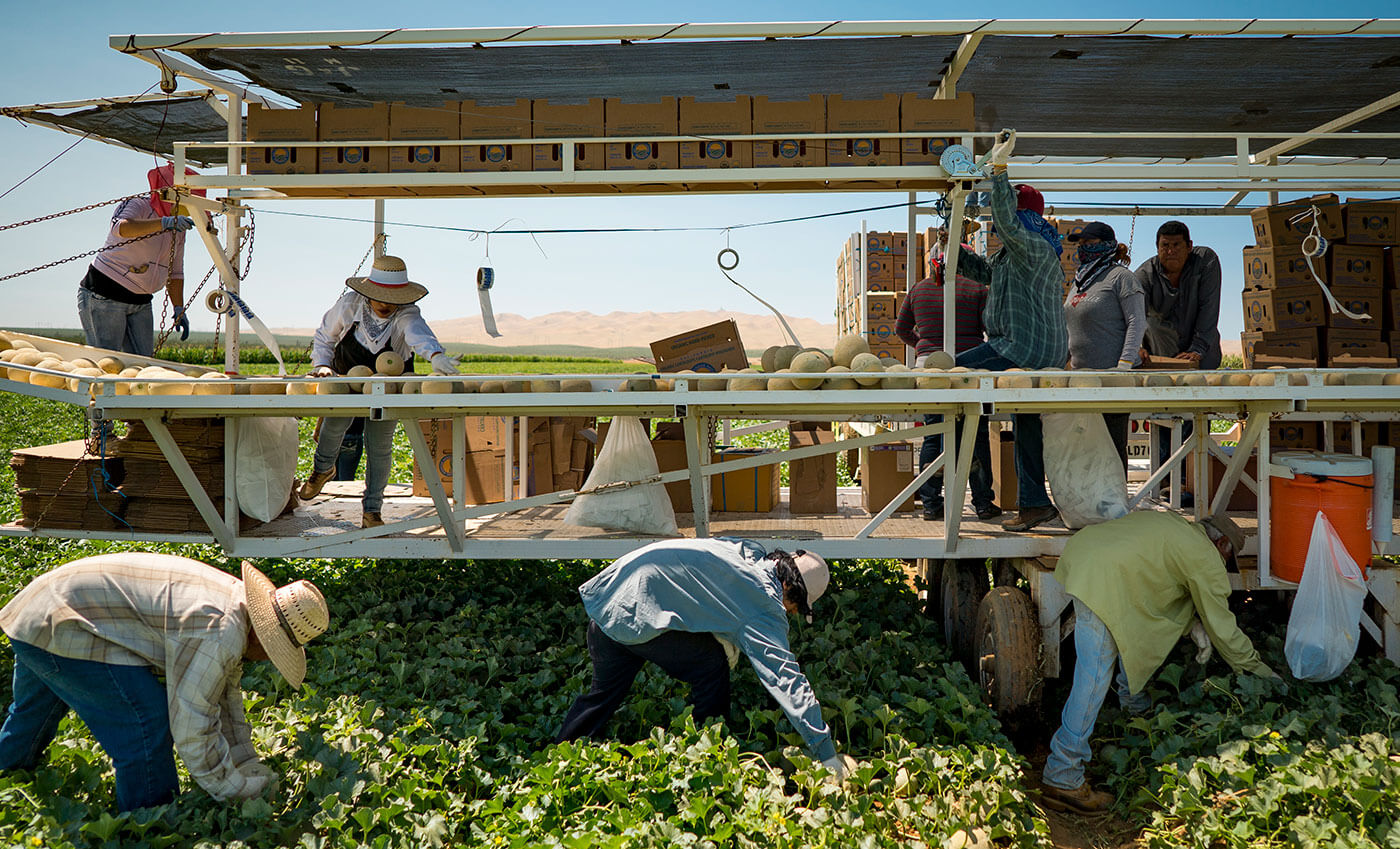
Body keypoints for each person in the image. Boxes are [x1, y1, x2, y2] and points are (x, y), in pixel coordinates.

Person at [0, 554, 329, 812]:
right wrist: (233, 790)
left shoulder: (236, 602)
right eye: (273, 651)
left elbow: (223, 700)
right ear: (262, 636)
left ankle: (7, 770)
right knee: (146, 722)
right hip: (68, 622)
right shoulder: (220, 632)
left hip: (38, 610)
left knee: (31, 715)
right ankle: (150, 819)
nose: (268, 659)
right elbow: (192, 721)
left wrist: (248, 765)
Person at [556, 538, 856, 780]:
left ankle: (561, 752)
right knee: (713, 662)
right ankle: (710, 748)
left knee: (604, 693)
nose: (791, 613)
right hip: (637, 616)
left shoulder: (747, 552)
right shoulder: (762, 603)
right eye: (796, 606)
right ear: (788, 587)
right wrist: (825, 752)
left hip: (608, 605)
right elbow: (785, 678)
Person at [1039, 512, 1279, 814]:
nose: (1222, 567)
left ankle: (1134, 711)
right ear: (1222, 545)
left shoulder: (1178, 528)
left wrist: (1193, 621)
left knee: (1130, 631)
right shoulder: (1204, 555)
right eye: (1226, 560)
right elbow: (1224, 631)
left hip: (1086, 554)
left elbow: (1156, 589)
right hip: (1103, 575)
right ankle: (1062, 773)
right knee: (1093, 676)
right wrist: (1260, 672)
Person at [952, 131, 1070, 533]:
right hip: (1032, 350)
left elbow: (1004, 218)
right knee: (1027, 424)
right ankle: (1035, 503)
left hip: (1023, 348)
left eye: (1007, 216)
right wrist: (951, 249)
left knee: (949, 382)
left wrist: (999, 170)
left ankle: (971, 492)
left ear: (1025, 215)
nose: (1000, 225)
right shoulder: (1014, 255)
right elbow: (984, 272)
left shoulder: (1034, 245)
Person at [299, 254, 459, 528]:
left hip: (389, 384)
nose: (386, 304)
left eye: (392, 299)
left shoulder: (407, 312)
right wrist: (323, 365)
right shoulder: (350, 305)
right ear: (369, 293)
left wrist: (435, 356)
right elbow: (325, 337)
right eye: (381, 297)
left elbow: (417, 333)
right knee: (335, 423)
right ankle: (322, 469)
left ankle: (372, 511)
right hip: (347, 379)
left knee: (380, 445)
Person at [896, 234, 998, 521]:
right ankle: (982, 503)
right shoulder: (978, 289)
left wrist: (924, 346)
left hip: (930, 368)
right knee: (975, 433)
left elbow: (901, 328)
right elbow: (990, 328)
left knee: (933, 432)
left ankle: (931, 504)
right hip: (969, 368)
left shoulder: (918, 290)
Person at [1135, 221, 1224, 503]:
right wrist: (1136, 345)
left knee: (1196, 420)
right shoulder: (1145, 274)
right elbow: (1134, 315)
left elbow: (1210, 309)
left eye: (1176, 245)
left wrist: (1197, 349)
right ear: (1157, 248)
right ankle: (1165, 482)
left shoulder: (1206, 261)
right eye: (1164, 246)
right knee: (1164, 417)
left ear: (1189, 245)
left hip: (1200, 357)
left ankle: (1192, 485)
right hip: (1161, 359)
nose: (1170, 251)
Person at [77, 165, 203, 357]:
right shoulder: (139, 205)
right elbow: (121, 228)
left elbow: (175, 271)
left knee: (142, 362)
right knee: (108, 361)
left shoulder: (180, 227)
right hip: (105, 294)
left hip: (141, 301)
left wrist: (179, 307)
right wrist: (163, 223)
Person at [1064, 221, 1146, 473]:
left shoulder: (1121, 277)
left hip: (1112, 380)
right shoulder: (1080, 282)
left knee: (1110, 449)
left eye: (1089, 244)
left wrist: (1123, 367)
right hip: (1081, 382)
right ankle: (1090, 505)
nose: (1082, 250)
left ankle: (1114, 505)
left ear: (1108, 245)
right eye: (1080, 245)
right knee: (1085, 449)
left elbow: (1137, 322)